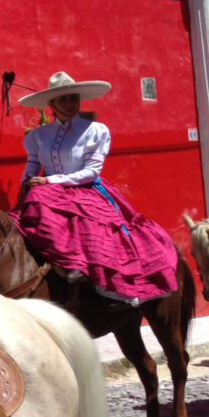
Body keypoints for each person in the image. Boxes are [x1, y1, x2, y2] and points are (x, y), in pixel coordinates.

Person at [11, 71, 178, 306]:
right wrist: (23, 187)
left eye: (73, 98)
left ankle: (79, 267)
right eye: (63, 99)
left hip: (84, 190)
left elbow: (91, 172)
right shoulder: (39, 135)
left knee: (100, 232)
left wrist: (49, 181)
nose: (69, 104)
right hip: (45, 192)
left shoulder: (95, 130)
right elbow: (32, 166)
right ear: (52, 104)